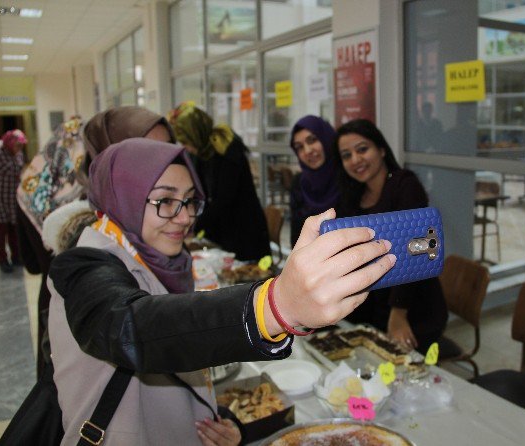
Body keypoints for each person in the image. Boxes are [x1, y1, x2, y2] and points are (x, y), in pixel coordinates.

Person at [47, 137, 394, 444]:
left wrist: (224, 423)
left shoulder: (160, 263)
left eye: (189, 201)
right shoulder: (82, 266)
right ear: (122, 195)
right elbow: (131, 329)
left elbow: (178, 359)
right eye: (165, 201)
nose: (184, 217)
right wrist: (274, 306)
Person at [16, 107, 174, 379]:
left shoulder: (148, 212)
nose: (163, 163)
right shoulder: (91, 233)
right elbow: (125, 326)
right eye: (146, 151)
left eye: (169, 150)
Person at [333, 118, 448, 354]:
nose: (355, 160)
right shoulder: (353, 196)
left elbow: (419, 249)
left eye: (362, 149)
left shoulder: (406, 185)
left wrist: (398, 314)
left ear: (381, 149)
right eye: (346, 155)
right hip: (372, 303)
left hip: (412, 305)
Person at [168, 102, 270, 262]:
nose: (186, 147)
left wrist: (195, 225)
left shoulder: (226, 150)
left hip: (243, 229)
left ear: (196, 135)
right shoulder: (203, 151)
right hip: (222, 230)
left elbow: (224, 200)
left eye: (186, 142)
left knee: (247, 278)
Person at [289, 115, 339, 246]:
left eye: (312, 140)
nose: (307, 151)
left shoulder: (349, 179)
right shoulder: (299, 184)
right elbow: (296, 240)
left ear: (326, 138)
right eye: (299, 147)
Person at [0, 129, 26, 273]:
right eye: (17, 145)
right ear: (9, 143)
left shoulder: (19, 154)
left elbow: (20, 171)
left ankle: (16, 257)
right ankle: (2, 259)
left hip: (13, 197)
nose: (19, 149)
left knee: (14, 228)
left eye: (21, 146)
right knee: (2, 229)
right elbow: (13, 169)